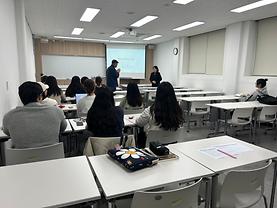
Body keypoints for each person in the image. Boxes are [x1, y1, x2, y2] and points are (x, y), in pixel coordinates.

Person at [2, 81, 67, 149]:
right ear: (40, 97)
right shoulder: (56, 111)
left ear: (21, 98)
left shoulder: (9, 116)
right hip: (54, 157)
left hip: (21, 158)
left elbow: (7, 133)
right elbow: (63, 128)